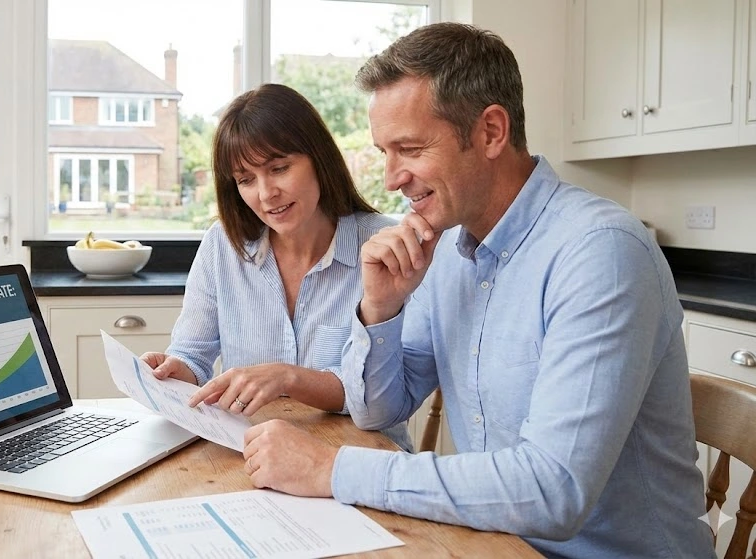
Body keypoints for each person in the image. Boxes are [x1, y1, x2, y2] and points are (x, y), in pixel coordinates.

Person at [240, 23, 715, 558]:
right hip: (493, 544)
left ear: (490, 132)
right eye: (384, 152)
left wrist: (332, 468)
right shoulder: (444, 247)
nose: (392, 178)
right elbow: (378, 409)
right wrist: (381, 308)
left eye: (410, 148)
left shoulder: (599, 252)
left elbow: (552, 490)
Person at [141, 83, 413, 452]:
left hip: (360, 462)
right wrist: (176, 370)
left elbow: (380, 399)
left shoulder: (385, 248)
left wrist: (287, 378)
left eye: (279, 168)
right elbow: (193, 355)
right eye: (246, 180)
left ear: (319, 158)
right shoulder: (222, 246)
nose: (266, 194)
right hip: (254, 458)